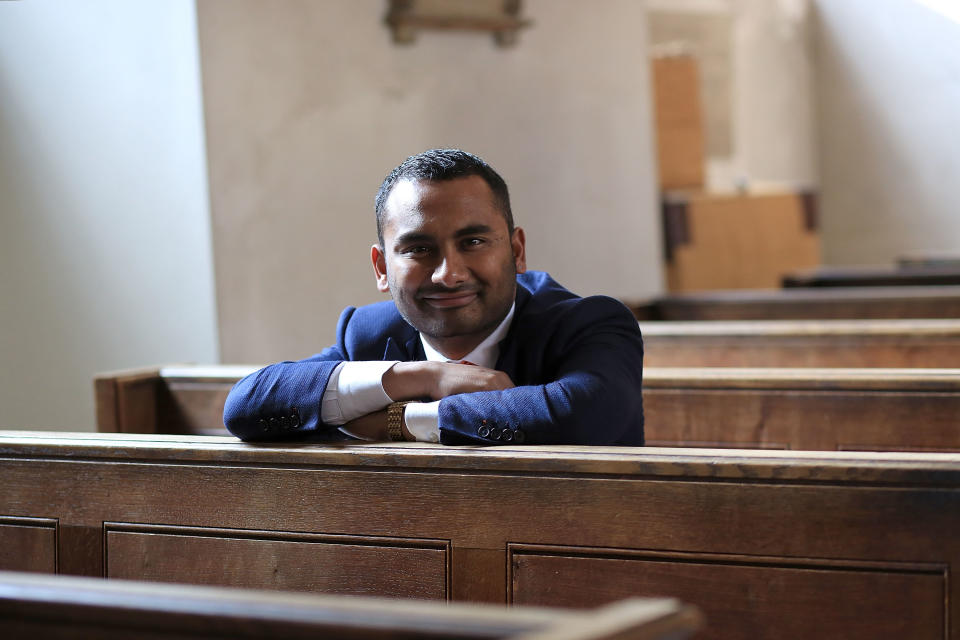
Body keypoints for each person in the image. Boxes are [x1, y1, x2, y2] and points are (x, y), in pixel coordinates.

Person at [223, 149, 644, 446]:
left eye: (474, 241)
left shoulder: (589, 323)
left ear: (516, 251)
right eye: (419, 249)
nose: (449, 274)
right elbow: (246, 406)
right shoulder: (369, 334)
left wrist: (403, 422)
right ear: (382, 268)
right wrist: (424, 377)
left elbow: (585, 414)